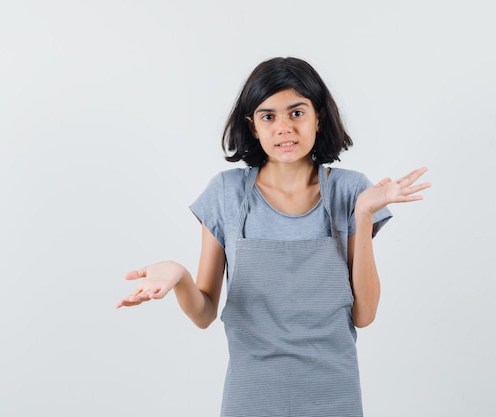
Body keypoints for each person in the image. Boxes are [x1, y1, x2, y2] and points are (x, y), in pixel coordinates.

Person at [116, 57, 430, 416]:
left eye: (296, 113)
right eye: (269, 116)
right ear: (252, 126)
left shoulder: (352, 191)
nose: (284, 128)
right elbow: (204, 314)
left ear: (319, 117)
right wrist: (179, 276)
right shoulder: (226, 193)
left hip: (334, 394)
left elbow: (364, 314)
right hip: (251, 395)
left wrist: (363, 214)